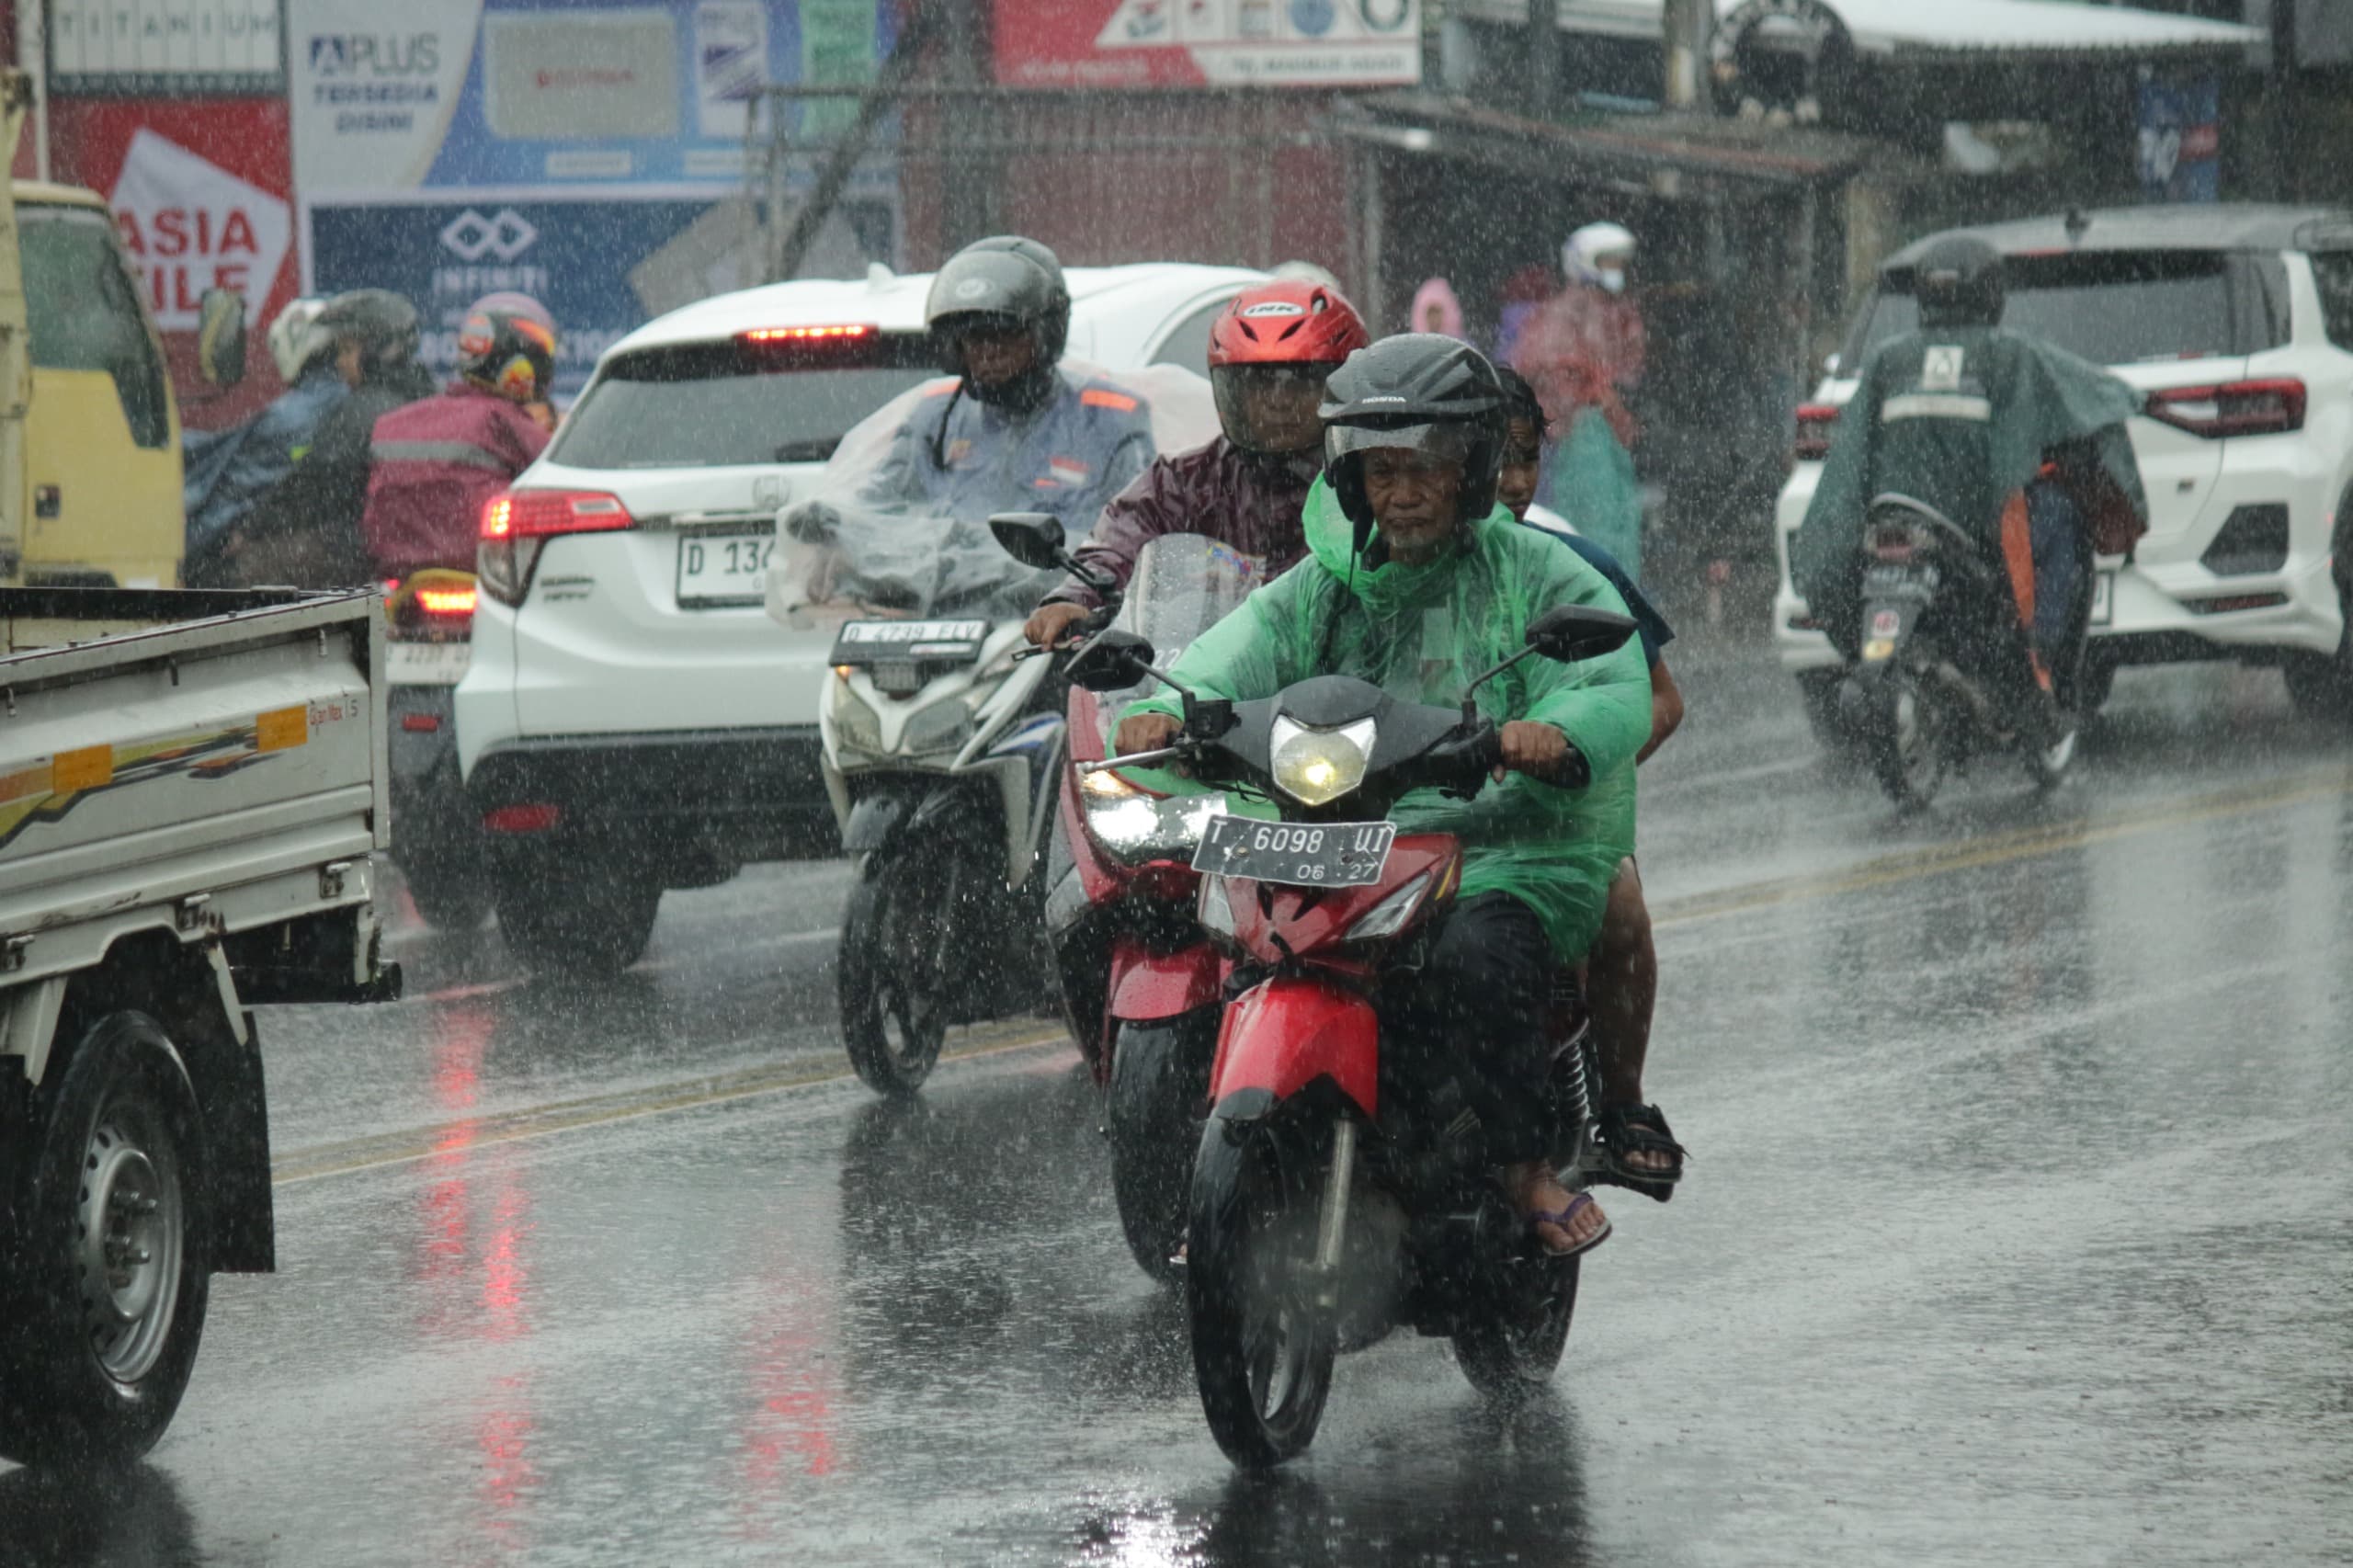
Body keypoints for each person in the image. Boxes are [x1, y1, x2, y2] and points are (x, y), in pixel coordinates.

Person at [1115, 335, 1654, 1257]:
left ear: (1470, 471)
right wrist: (1164, 709)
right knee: (1234, 945)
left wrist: (1546, 732)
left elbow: (1608, 678)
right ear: (1348, 479)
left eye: (1421, 470)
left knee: (1477, 957)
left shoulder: (1535, 567)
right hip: (1344, 833)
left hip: (1502, 839)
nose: (1399, 493)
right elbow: (1228, 654)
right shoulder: (1324, 581)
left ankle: (1522, 1163)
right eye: (1377, 472)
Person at [1791, 236, 2148, 746]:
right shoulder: (2010, 355)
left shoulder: (1888, 360)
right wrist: (2138, 400)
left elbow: (1850, 464)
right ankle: (2039, 666)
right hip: (1975, 538)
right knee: (2058, 520)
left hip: (1892, 527)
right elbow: (2090, 393)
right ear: (1991, 294)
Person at [1495, 365, 1687, 1198]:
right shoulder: (1367, 572)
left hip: (1546, 824)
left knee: (1618, 902)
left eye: (1523, 459)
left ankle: (1622, 1105)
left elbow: (1659, 700)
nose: (1507, 483)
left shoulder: (1572, 566)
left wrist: (1572, 770)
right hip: (1401, 821)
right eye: (1485, 460)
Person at [1021, 278, 1370, 650]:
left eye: (1298, 385)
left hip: (1343, 678)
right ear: (1228, 392)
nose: (1277, 402)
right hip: (1201, 681)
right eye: (1259, 385)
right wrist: (1077, 595)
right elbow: (1121, 536)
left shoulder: (1372, 478)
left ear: (1342, 389)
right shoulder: (1186, 480)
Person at [864, 235, 1154, 534]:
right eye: (974, 337)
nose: (988, 351)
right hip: (939, 581)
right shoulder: (937, 416)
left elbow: (1138, 530)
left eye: (1003, 333)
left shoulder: (1109, 417)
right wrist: (831, 519)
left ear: (1047, 334)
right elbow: (877, 505)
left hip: (1064, 582)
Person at [213, 290, 436, 587]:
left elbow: (314, 484)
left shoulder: (364, 409)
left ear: (376, 350)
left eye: (346, 350)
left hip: (366, 550)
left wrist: (252, 531)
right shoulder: (425, 395)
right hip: (413, 547)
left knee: (240, 573)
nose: (341, 363)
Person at [358, 293, 560, 580]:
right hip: (486, 573)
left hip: (398, 576)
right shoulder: (505, 420)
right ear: (518, 365)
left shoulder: (395, 420)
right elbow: (562, 477)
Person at [181, 296, 351, 586]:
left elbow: (229, 499)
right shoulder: (349, 401)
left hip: (274, 561)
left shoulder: (287, 417)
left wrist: (186, 554)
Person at [1512, 221, 1647, 580]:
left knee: (1619, 522)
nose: (1616, 272)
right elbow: (1544, 364)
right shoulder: (1567, 310)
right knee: (1596, 528)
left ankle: (1618, 599)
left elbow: (1630, 366)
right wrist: (1592, 395)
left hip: (1607, 431)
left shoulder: (1615, 309)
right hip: (1587, 432)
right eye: (1608, 262)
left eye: (1620, 263)